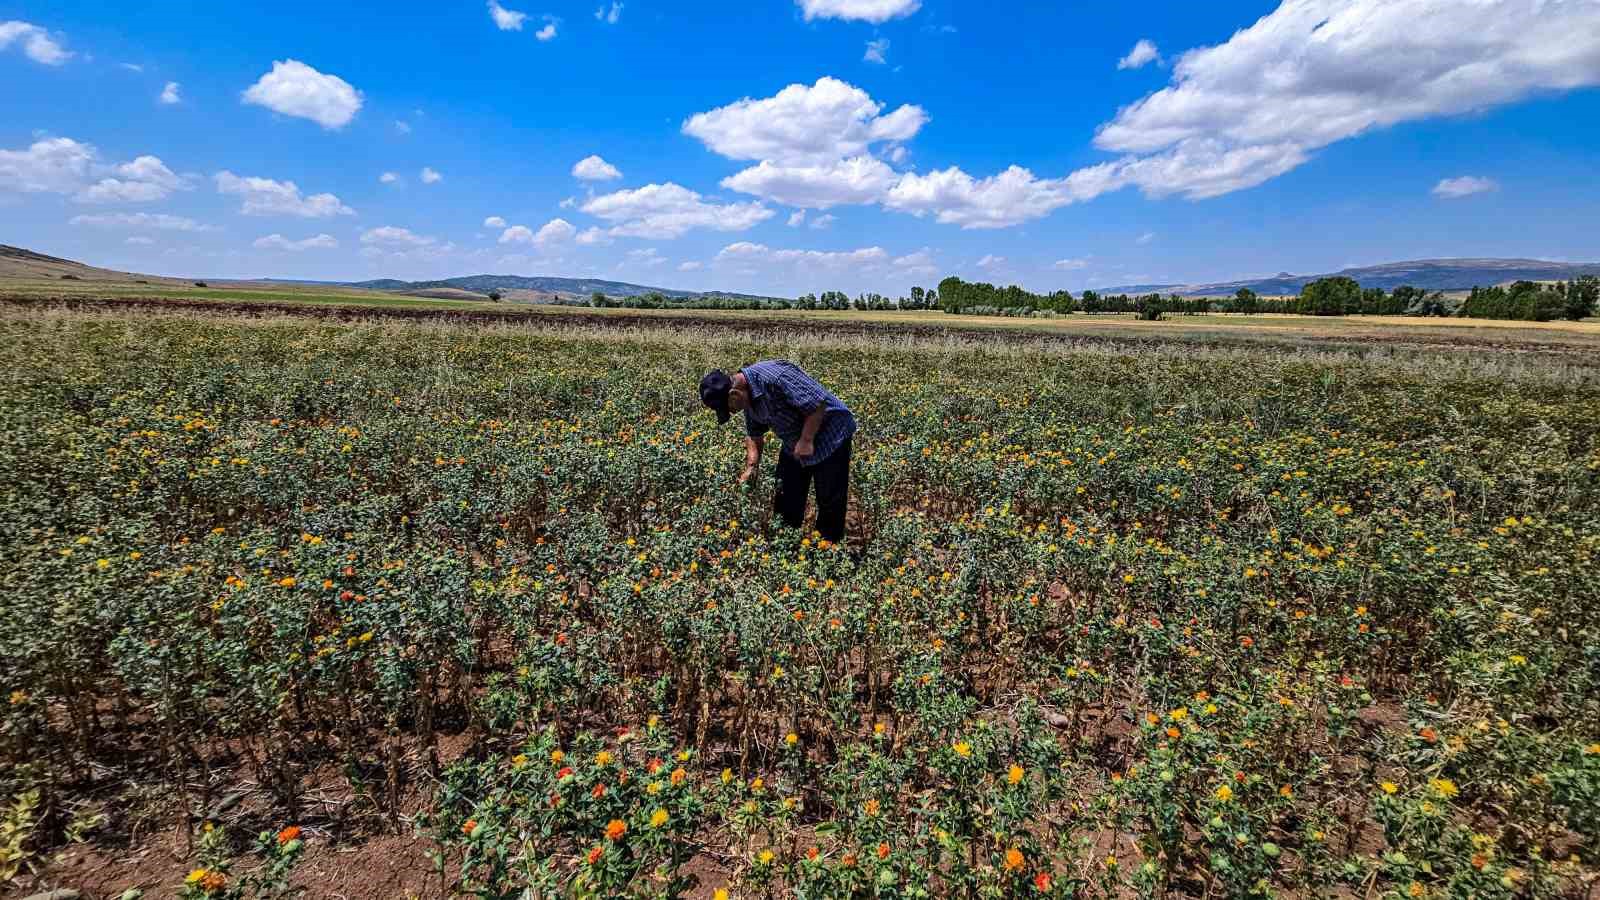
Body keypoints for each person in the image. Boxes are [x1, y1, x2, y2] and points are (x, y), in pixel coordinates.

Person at [699, 360, 856, 543]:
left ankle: (828, 553)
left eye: (730, 409)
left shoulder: (776, 378)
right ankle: (786, 548)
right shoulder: (746, 395)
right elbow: (754, 433)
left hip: (831, 434)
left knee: (829, 502)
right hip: (795, 439)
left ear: (734, 393)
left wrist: (806, 440)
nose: (733, 413)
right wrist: (752, 466)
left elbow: (818, 405)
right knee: (785, 497)